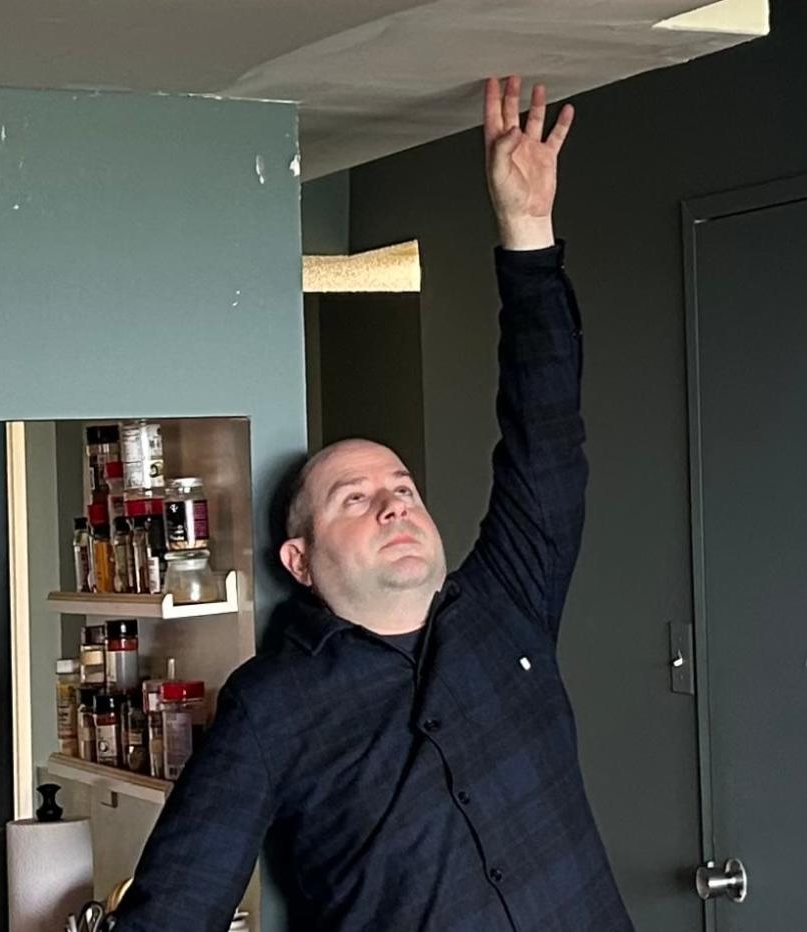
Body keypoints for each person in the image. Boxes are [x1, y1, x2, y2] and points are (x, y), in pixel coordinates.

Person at [112, 75, 634, 931]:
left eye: (401, 488)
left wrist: (526, 229)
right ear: (301, 560)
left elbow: (547, 438)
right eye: (355, 499)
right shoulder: (272, 705)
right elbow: (177, 902)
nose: (393, 505)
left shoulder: (509, 606)